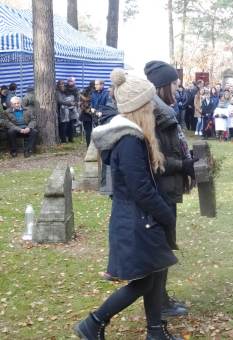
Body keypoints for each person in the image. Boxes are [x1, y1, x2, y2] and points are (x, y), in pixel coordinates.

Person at [75, 68, 181, 340]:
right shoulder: (129, 140)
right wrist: (166, 215)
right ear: (138, 107)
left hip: (138, 218)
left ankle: (156, 331)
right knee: (145, 280)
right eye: (147, 104)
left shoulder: (130, 136)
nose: (151, 108)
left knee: (156, 273)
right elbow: (141, 190)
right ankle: (94, 322)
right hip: (137, 220)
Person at [144, 60, 195, 318]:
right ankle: (159, 304)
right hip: (162, 189)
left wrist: (187, 158)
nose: (178, 89)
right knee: (161, 248)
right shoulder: (156, 112)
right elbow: (155, 158)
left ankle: (160, 297)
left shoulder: (162, 109)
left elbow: (171, 146)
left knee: (164, 246)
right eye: (175, 84)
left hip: (167, 188)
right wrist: (182, 164)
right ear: (163, 85)